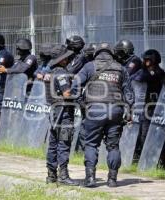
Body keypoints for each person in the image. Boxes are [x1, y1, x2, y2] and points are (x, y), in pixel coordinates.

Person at [65, 42, 134, 187]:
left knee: (91, 144)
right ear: (111, 54)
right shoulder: (120, 68)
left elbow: (75, 85)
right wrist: (129, 111)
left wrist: (80, 103)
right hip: (116, 111)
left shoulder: (89, 66)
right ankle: (112, 180)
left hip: (95, 110)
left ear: (96, 53)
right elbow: (129, 93)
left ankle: (90, 179)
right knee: (113, 146)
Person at [45, 45, 79, 186]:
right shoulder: (62, 74)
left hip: (53, 112)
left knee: (52, 144)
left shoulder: (50, 73)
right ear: (62, 59)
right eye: (66, 57)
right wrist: (78, 93)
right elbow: (66, 94)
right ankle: (63, 176)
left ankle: (51, 175)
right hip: (63, 113)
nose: (68, 59)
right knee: (64, 143)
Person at [130, 49, 165, 159]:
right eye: (144, 60)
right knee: (143, 134)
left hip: (158, 108)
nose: (145, 63)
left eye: (148, 61)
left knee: (158, 134)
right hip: (145, 108)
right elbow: (134, 78)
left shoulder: (159, 73)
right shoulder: (143, 72)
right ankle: (144, 157)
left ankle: (159, 159)